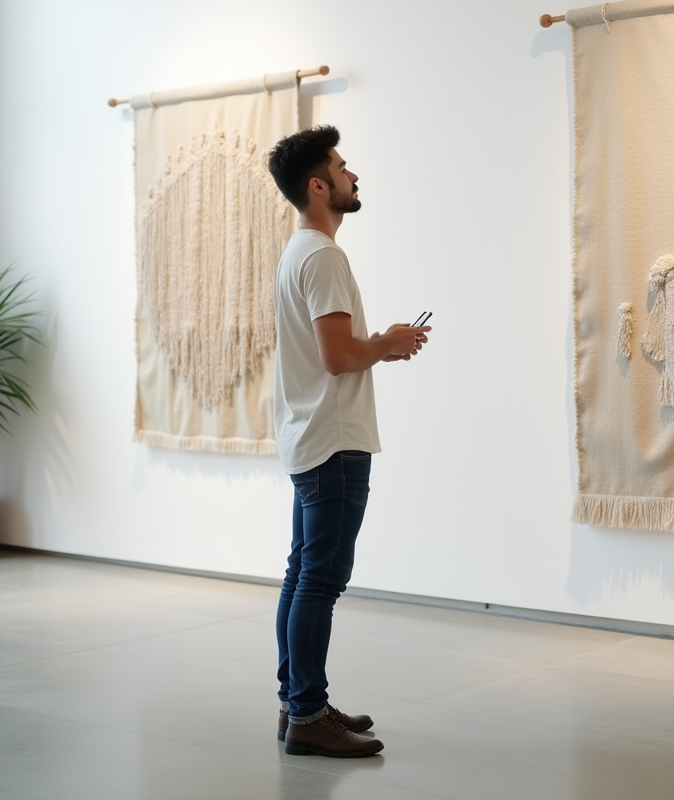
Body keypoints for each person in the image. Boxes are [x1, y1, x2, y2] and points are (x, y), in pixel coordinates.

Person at [266, 125, 431, 758]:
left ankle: (298, 703)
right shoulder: (324, 257)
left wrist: (381, 347)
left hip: (309, 435)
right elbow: (338, 358)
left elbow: (330, 353)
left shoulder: (297, 252)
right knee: (320, 581)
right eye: (341, 166)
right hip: (334, 443)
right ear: (318, 185)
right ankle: (307, 714)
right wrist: (387, 343)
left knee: (301, 574)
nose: (351, 174)